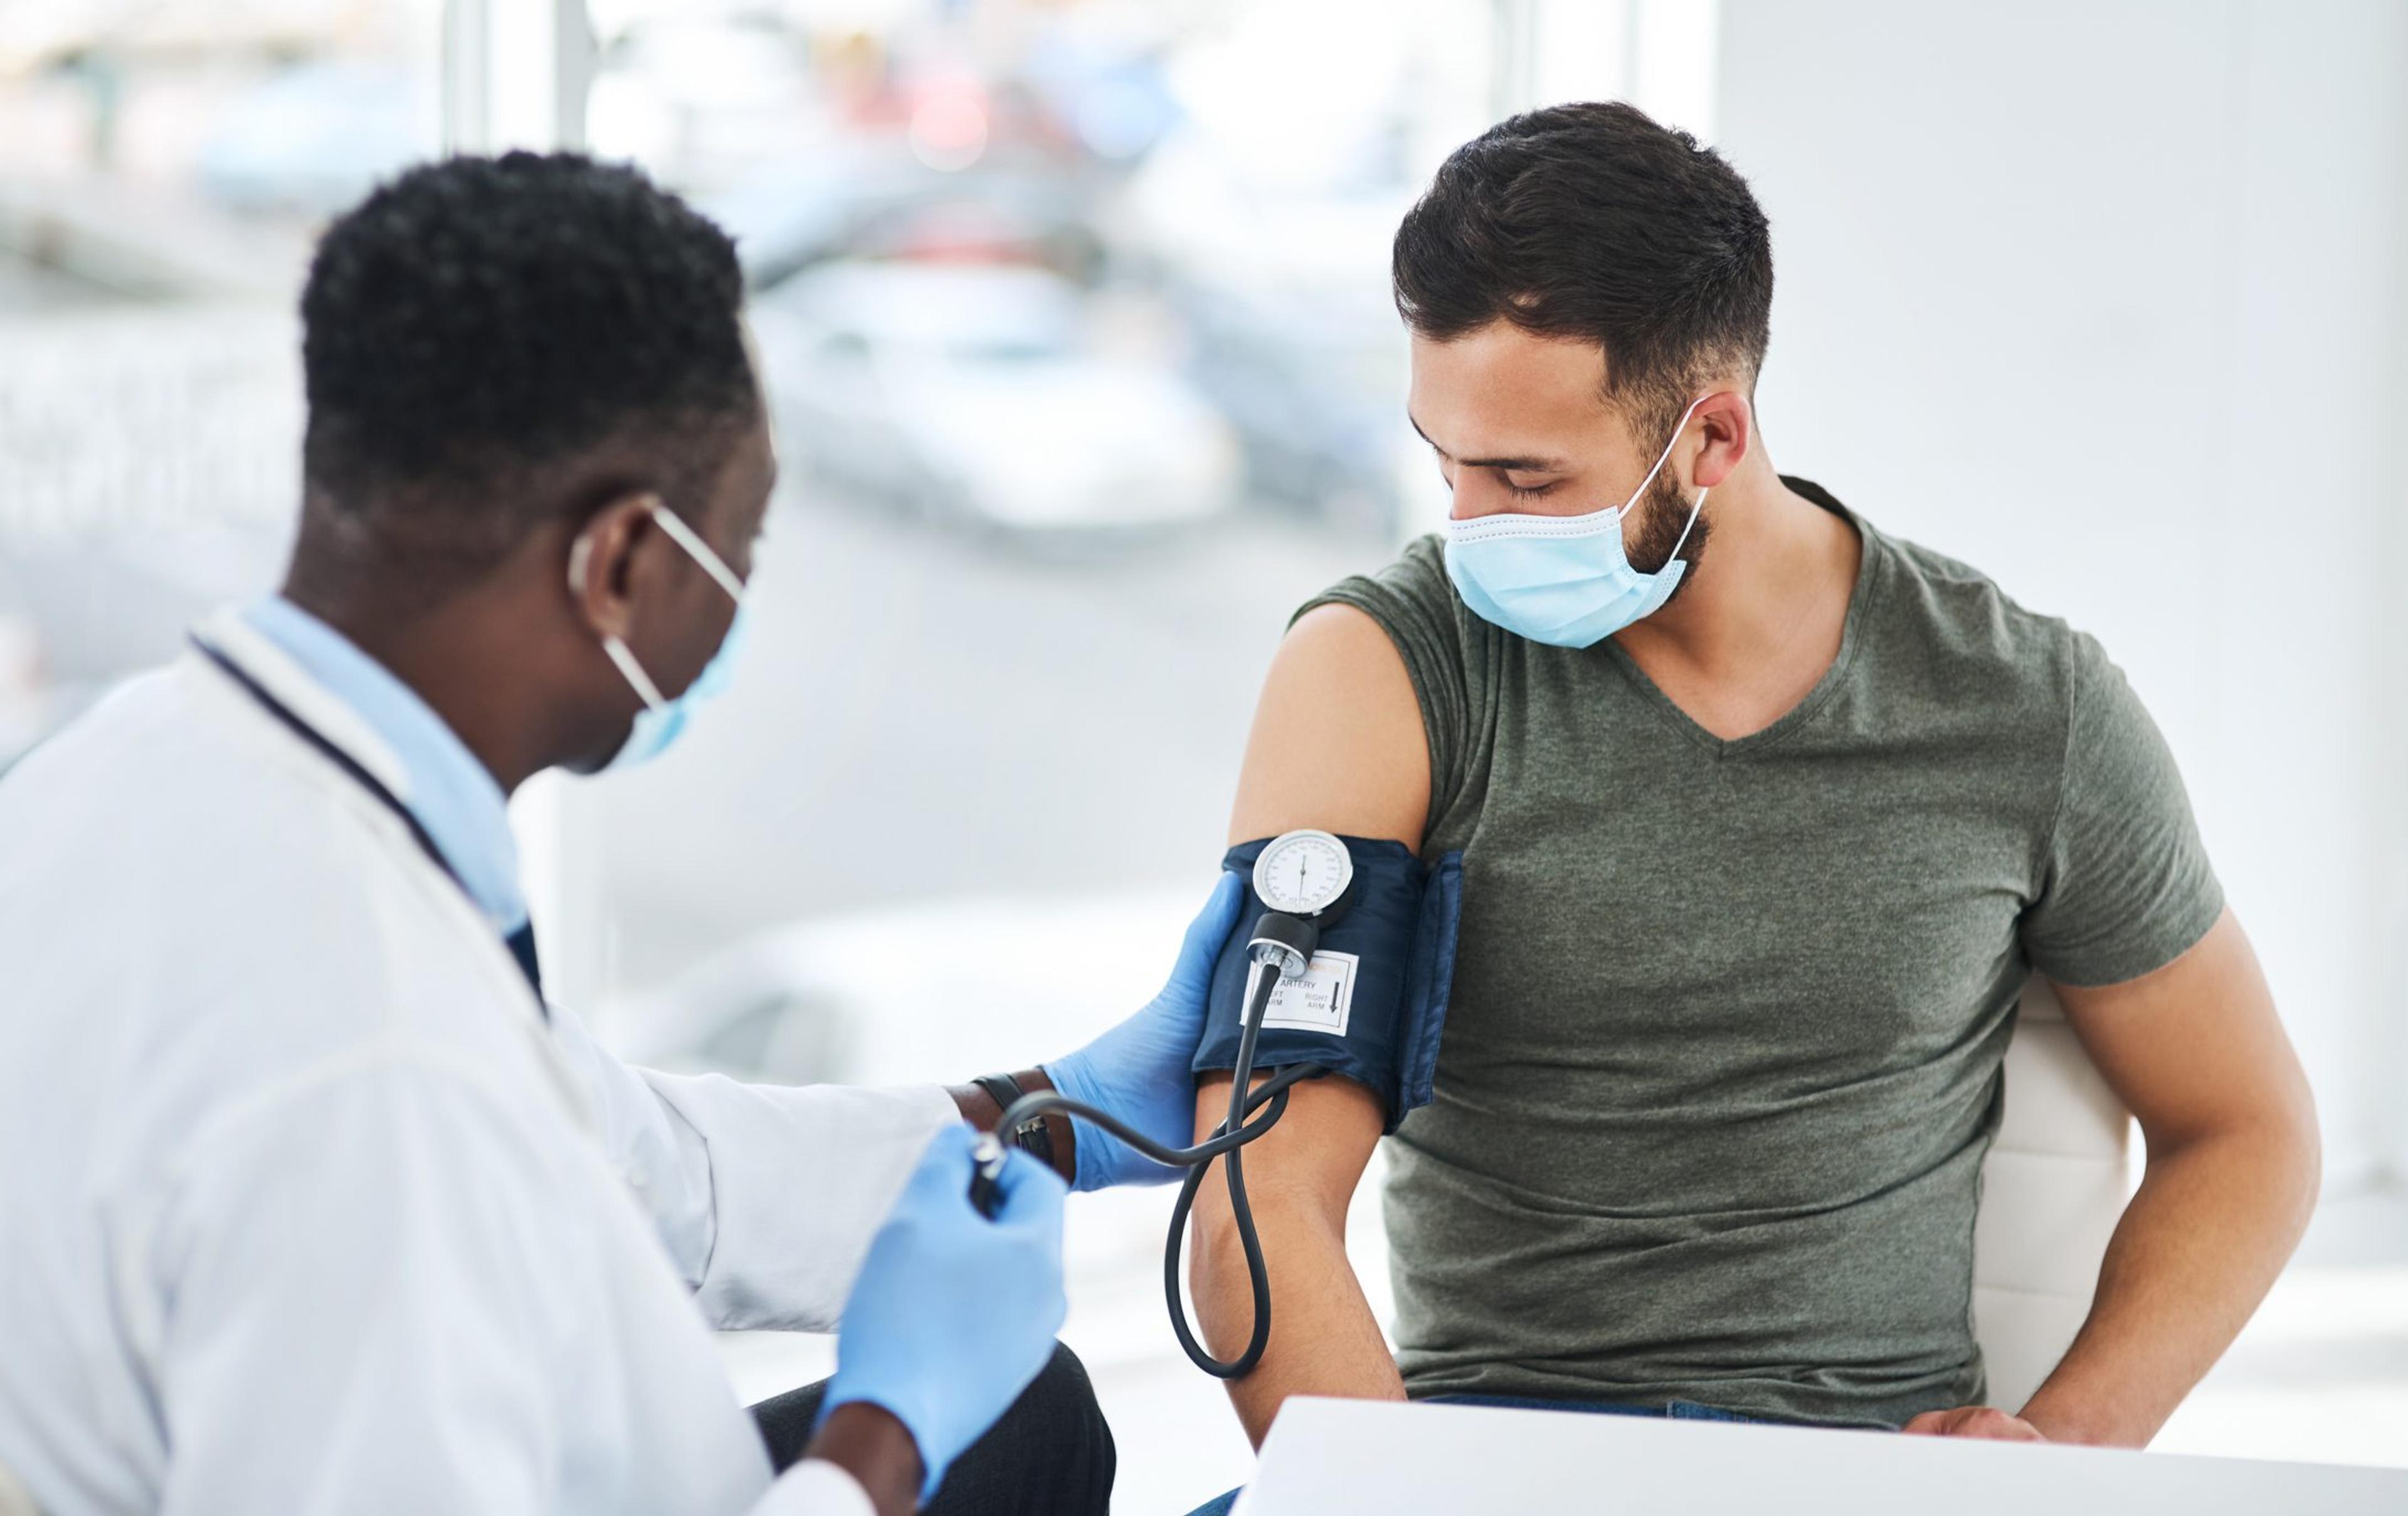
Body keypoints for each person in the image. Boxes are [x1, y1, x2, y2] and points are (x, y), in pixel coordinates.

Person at [0, 152, 1239, 1516]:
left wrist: (1038, 1119)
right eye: (743, 546)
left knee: (1032, 1414)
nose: (740, 602)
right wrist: (880, 1442)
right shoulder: (369, 1067)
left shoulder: (130, 766)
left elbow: (625, 1161)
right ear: (622, 567)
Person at [1182, 102, 2321, 1509]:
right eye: (1446, 458)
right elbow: (1254, 1207)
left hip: (1864, 1474)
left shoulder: (2027, 705)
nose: (1467, 521)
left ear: (1711, 435)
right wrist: (1402, 1496)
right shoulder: (1383, 672)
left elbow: (2246, 1128)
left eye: (1528, 479)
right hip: (1483, 1459)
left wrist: (2066, 1453)